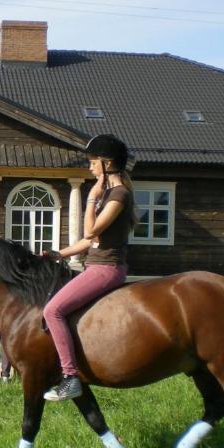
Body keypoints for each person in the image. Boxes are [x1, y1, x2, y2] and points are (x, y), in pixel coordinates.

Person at [42, 134, 135, 401]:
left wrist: (92, 198)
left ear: (106, 164)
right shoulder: (111, 193)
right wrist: (58, 254)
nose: (90, 167)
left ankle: (70, 377)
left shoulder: (119, 195)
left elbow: (91, 230)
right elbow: (88, 240)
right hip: (95, 266)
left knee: (53, 310)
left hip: (106, 269)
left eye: (93, 162)